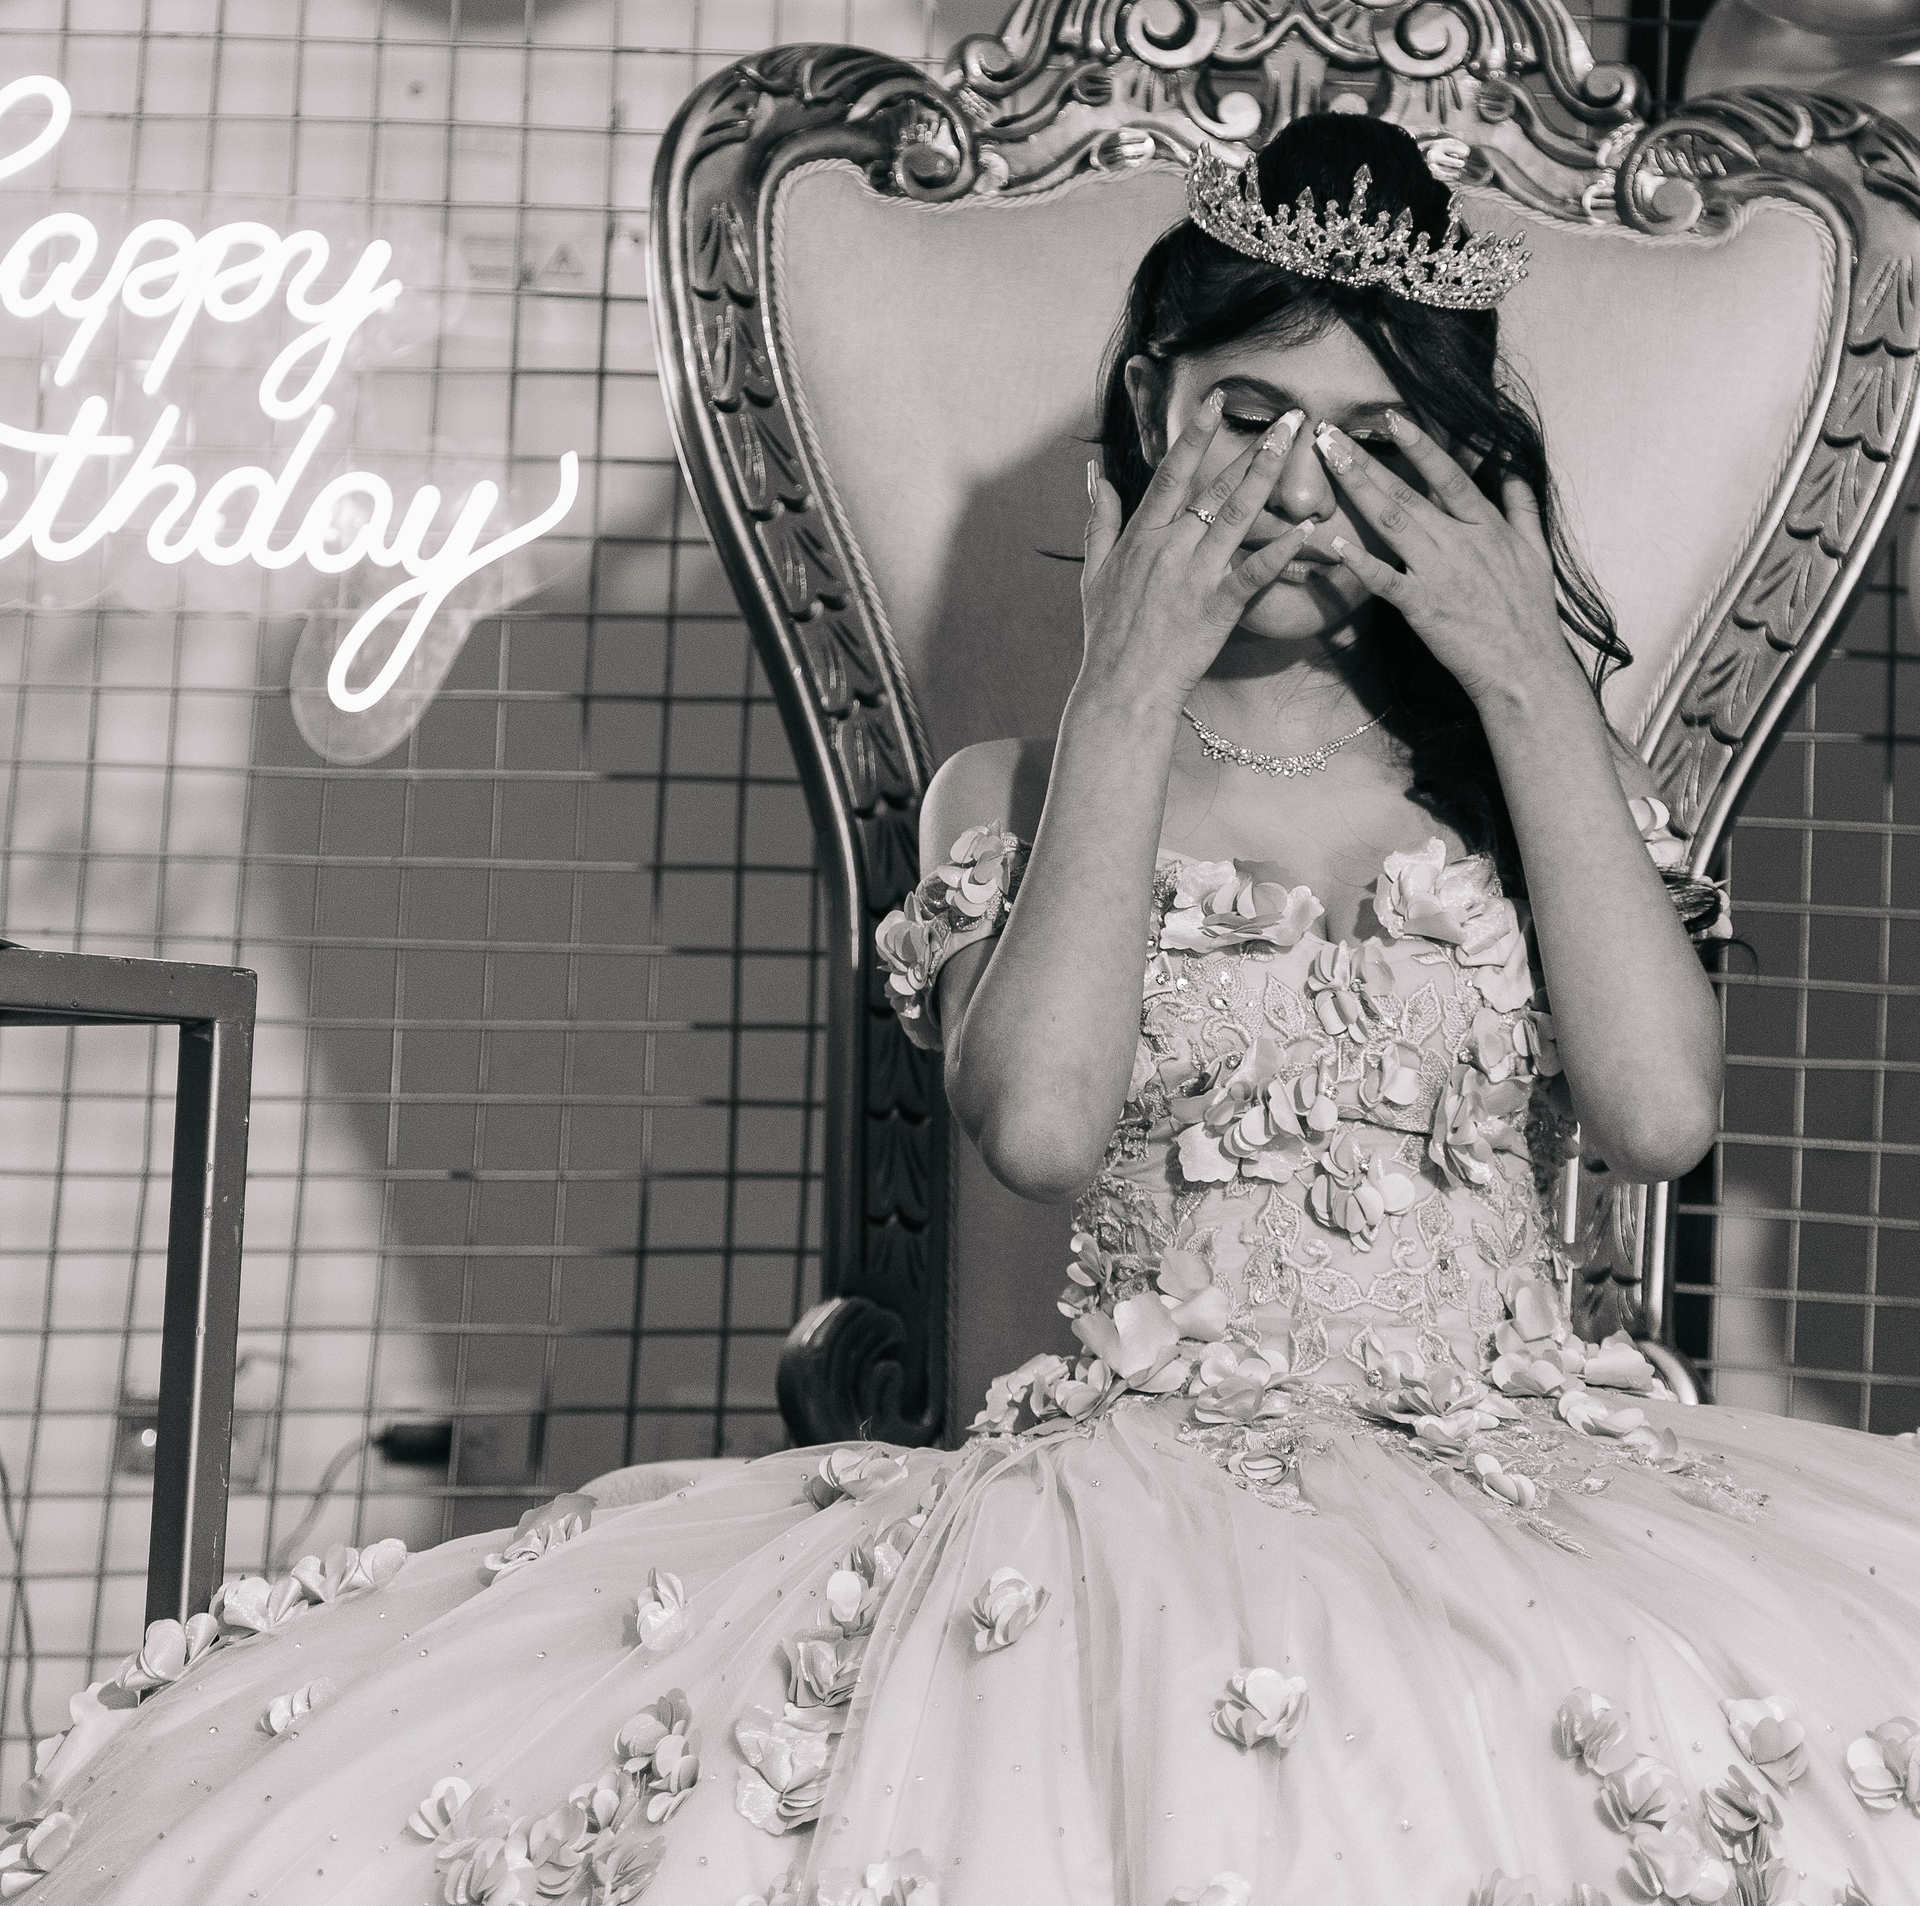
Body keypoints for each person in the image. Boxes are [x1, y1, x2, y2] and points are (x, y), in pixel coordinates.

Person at [11, 116, 1914, 1906]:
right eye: (1249, 417)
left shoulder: (1541, 784)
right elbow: (1038, 1127)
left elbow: (1659, 1117)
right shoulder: (1020, 789)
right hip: (1139, 1500)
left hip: (1530, 1493)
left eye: (1376, 438)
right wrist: (1127, 685)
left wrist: (1525, 682)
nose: (1298, 490)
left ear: (1460, 469)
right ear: (1149, 414)